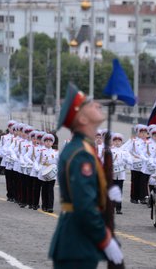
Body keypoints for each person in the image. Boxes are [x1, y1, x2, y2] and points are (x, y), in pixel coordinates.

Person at [49, 83, 123, 269]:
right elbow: (84, 206)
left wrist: (104, 191)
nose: (97, 104)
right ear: (82, 118)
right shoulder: (81, 154)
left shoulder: (84, 148)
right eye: (89, 104)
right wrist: (106, 240)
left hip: (78, 242)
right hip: (76, 243)